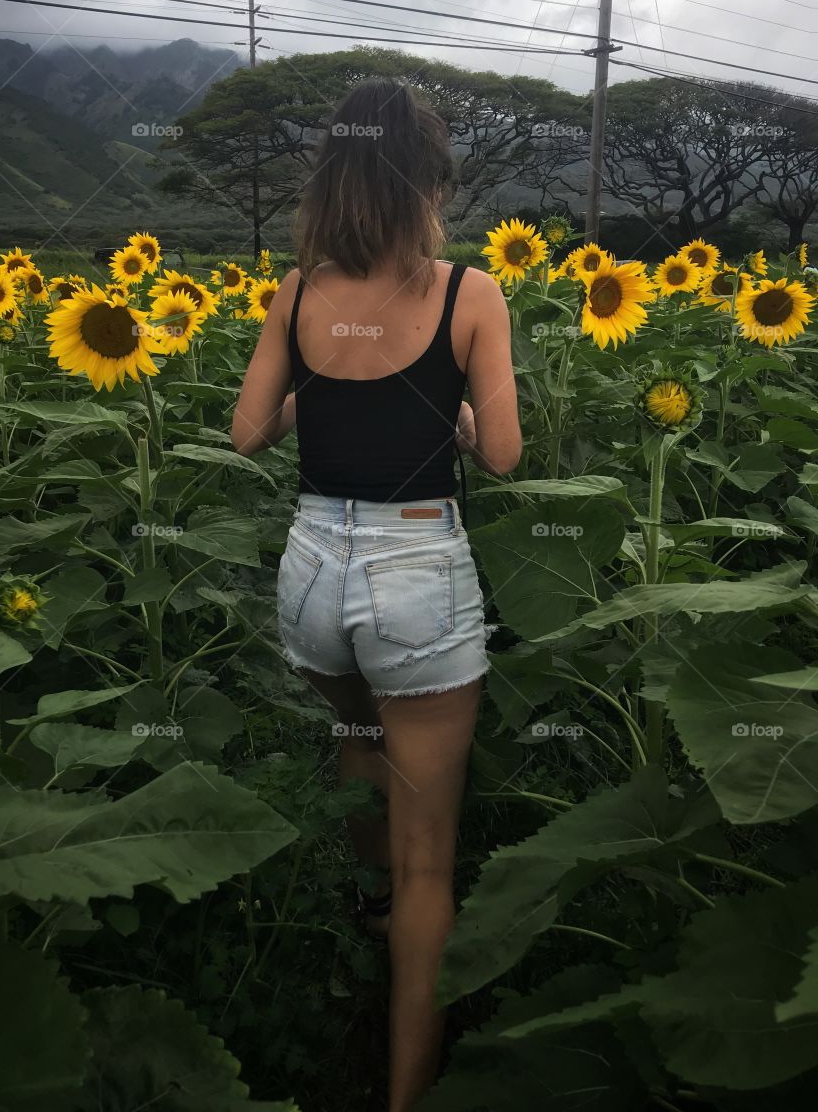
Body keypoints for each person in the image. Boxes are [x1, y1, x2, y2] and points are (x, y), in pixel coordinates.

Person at [231, 77, 522, 1112]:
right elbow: (503, 455)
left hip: (313, 569)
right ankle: (405, 1091)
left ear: (335, 180)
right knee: (432, 860)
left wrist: (318, 383)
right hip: (416, 570)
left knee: (357, 731)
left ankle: (368, 911)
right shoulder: (470, 293)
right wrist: (453, 422)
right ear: (427, 184)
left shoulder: (298, 293)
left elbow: (246, 432)